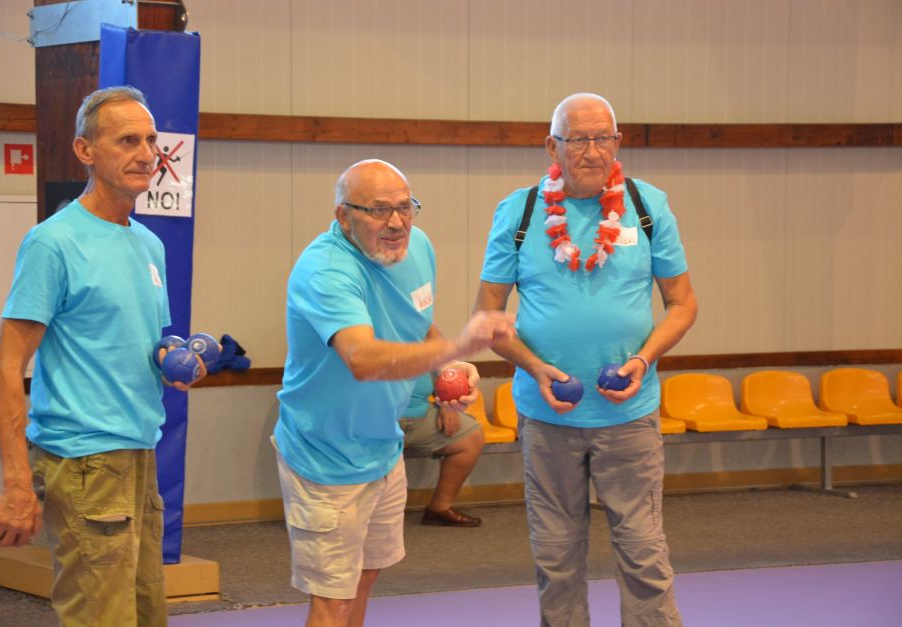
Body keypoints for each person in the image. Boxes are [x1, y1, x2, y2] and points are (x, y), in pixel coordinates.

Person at [474, 93, 697, 626]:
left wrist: (643, 359)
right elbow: (487, 315)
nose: (592, 151)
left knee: (643, 553)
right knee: (556, 558)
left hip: (629, 413)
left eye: (602, 139)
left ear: (617, 143)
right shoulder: (519, 211)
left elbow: (683, 304)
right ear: (552, 147)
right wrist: (535, 368)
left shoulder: (648, 205)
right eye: (578, 140)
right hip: (547, 415)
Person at [0, 86, 205, 627]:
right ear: (85, 151)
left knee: (146, 616)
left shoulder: (149, 244)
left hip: (140, 454)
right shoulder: (53, 243)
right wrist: (16, 484)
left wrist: (174, 359)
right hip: (85, 462)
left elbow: (145, 343)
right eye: (128, 141)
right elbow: (6, 368)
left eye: (151, 140)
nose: (146, 153)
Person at [273, 159, 513, 627]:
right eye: (379, 210)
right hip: (325, 457)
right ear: (344, 216)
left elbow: (418, 322)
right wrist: (460, 345)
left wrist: (448, 365)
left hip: (385, 447)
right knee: (333, 598)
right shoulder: (325, 270)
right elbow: (362, 358)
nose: (397, 223)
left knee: (364, 578)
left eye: (406, 207)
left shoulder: (417, 248)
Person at [400, 374, 485, 527]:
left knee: (471, 437)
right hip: (378, 418)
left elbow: (440, 373)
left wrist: (447, 405)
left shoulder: (426, 356)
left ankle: (439, 509)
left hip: (421, 416)